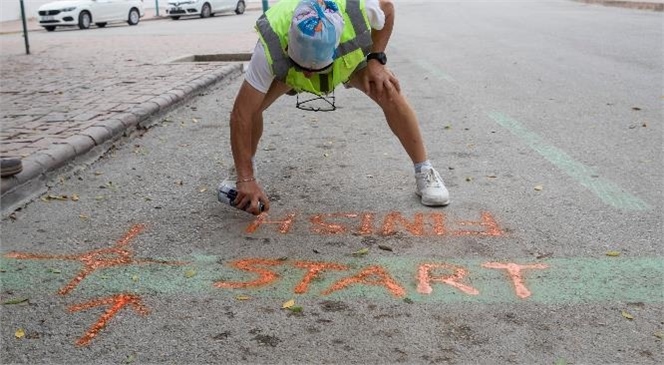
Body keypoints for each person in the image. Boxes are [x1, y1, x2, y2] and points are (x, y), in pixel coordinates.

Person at [222, 0, 449, 215]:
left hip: (346, 61)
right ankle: (244, 172)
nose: (309, 74)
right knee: (253, 109)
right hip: (289, 74)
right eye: (304, 66)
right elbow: (241, 114)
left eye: (314, 67)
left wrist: (376, 60)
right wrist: (246, 178)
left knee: (388, 90)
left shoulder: (357, 8)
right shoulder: (272, 38)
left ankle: (424, 171)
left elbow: (388, 9)